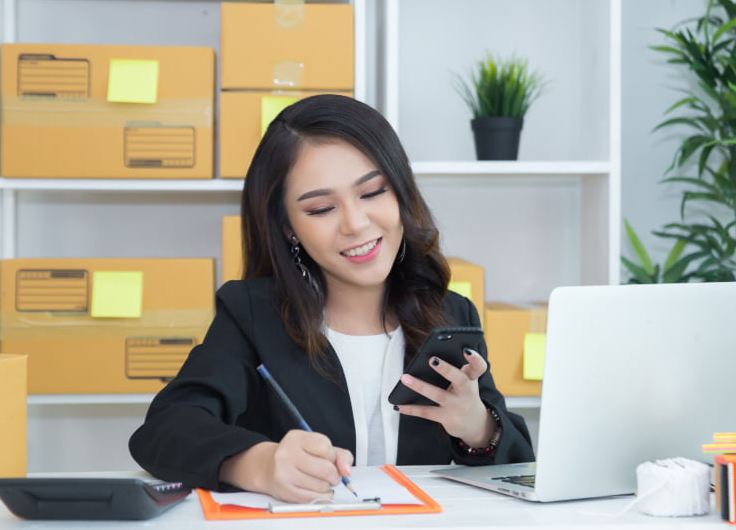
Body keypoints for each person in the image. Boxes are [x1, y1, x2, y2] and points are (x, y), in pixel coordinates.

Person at [128, 94, 534, 502]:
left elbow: (519, 465)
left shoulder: (449, 314)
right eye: (322, 209)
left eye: (372, 192)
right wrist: (259, 464)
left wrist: (477, 425)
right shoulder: (251, 314)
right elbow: (165, 430)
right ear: (289, 229)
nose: (356, 224)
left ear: (401, 192)